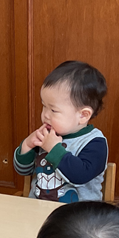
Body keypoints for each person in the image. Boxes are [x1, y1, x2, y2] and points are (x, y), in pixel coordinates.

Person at [13, 61, 108, 202]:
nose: (45, 114)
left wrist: (54, 149)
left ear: (83, 115)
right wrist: (27, 145)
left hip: (79, 214)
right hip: (37, 209)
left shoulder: (95, 142)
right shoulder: (47, 134)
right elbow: (23, 171)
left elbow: (80, 176)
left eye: (53, 110)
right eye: (44, 106)